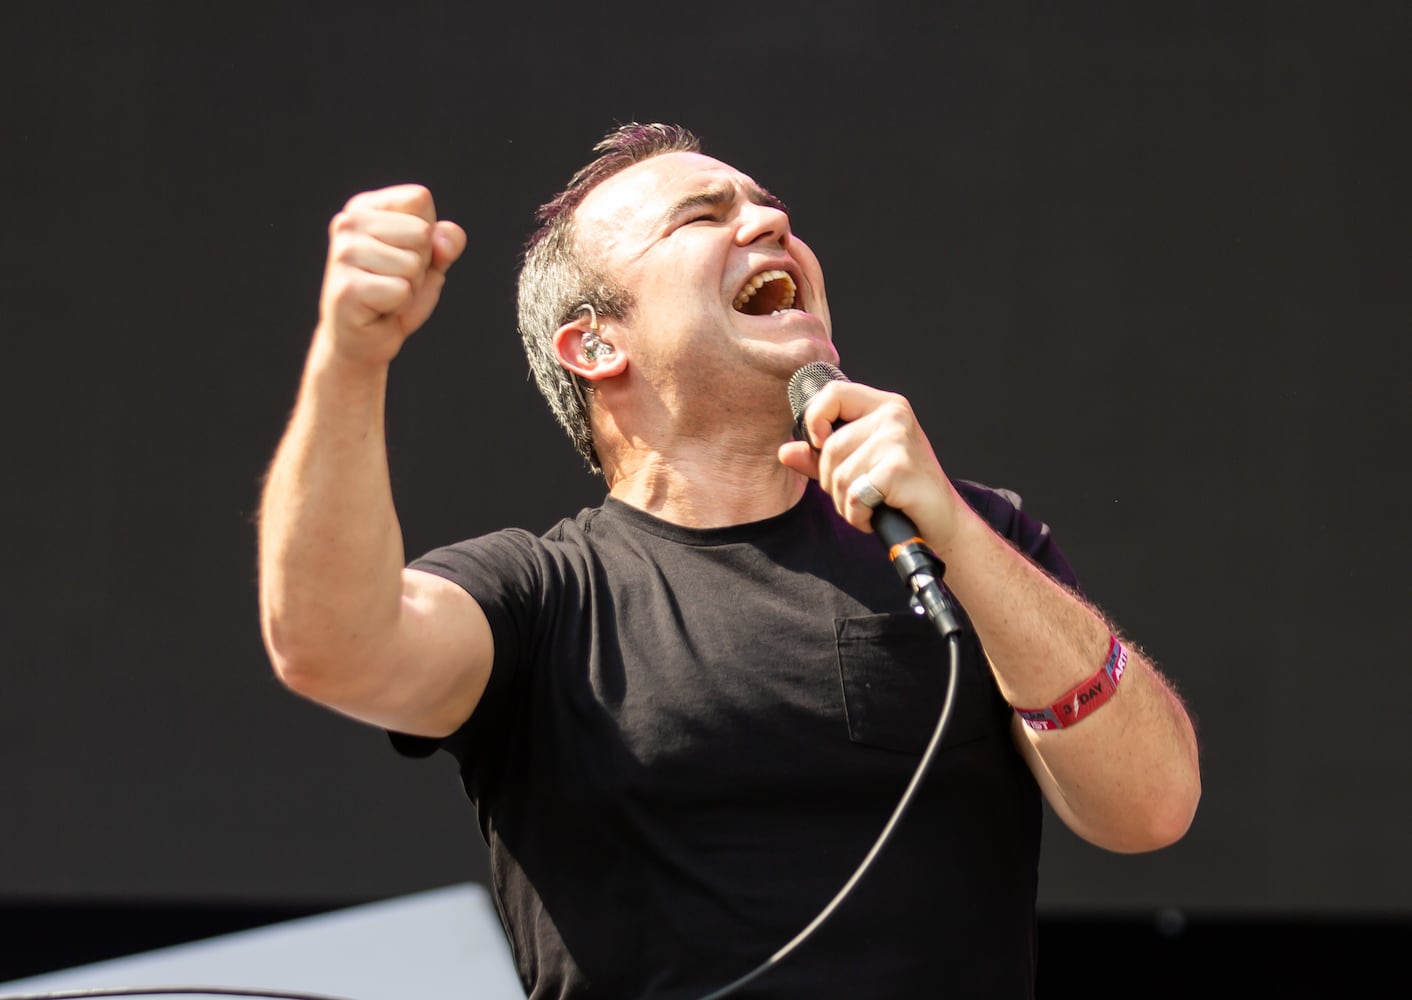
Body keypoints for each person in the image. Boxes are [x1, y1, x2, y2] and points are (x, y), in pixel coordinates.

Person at [256, 122, 1201, 999]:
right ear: (596, 343)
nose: (771, 221)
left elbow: (1152, 809)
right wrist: (350, 356)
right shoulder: (545, 597)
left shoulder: (964, 537)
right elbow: (330, 646)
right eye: (703, 216)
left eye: (767, 203)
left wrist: (956, 531)